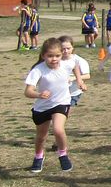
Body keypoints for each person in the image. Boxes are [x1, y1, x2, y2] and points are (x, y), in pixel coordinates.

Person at [23, 37, 74, 173]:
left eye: (57, 55)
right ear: (43, 55)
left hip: (61, 103)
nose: (54, 59)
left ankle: (63, 154)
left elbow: (76, 66)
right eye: (50, 56)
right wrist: (39, 94)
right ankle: (39, 157)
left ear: (62, 54)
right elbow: (28, 92)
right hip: (42, 107)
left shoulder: (66, 65)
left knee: (58, 130)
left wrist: (79, 80)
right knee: (41, 137)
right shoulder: (38, 70)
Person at [58, 35, 90, 107]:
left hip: (73, 92)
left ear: (72, 48)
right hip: (58, 93)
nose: (66, 51)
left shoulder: (78, 60)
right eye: (63, 49)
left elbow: (87, 75)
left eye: (68, 48)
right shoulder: (55, 61)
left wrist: (74, 78)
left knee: (66, 110)